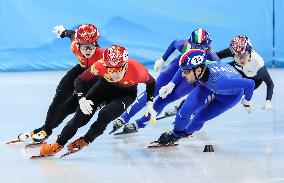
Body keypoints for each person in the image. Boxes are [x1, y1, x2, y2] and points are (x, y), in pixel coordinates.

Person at [39, 45, 156, 156]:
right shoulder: (100, 65)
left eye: (118, 68)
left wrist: (150, 103)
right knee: (80, 117)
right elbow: (79, 80)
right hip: (104, 87)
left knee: (105, 115)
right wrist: (82, 99)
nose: (115, 73)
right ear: (106, 65)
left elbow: (151, 83)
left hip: (125, 94)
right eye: (110, 69)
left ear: (125, 65)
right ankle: (58, 143)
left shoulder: (137, 70)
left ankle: (85, 140)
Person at [110, 28, 219, 134]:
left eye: (202, 48)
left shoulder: (212, 57)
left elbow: (216, 73)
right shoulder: (185, 45)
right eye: (195, 47)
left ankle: (140, 123)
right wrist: (163, 59)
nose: (198, 50)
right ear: (190, 43)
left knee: (164, 100)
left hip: (190, 79)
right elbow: (174, 43)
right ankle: (125, 117)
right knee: (151, 92)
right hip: (177, 67)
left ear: (208, 46)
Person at [17, 24, 104, 143]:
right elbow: (71, 34)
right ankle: (46, 130)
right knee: (60, 96)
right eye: (83, 47)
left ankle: (43, 129)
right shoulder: (74, 45)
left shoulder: (103, 58)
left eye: (90, 47)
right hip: (81, 69)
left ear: (95, 44)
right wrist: (63, 32)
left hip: (94, 77)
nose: (87, 51)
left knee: (69, 107)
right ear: (78, 44)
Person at [153, 49, 255, 146]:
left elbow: (250, 83)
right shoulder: (201, 66)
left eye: (186, 72)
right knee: (184, 111)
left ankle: (185, 133)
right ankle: (175, 135)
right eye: (184, 71)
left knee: (199, 119)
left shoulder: (221, 82)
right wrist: (171, 84)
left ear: (198, 70)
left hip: (229, 97)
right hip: (208, 85)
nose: (183, 75)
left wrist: (247, 100)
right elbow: (183, 67)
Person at [165, 35, 274, 115]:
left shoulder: (258, 64)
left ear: (250, 52)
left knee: (218, 94)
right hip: (234, 70)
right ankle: (185, 105)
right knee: (206, 80)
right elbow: (216, 57)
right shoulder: (235, 51)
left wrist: (268, 101)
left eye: (243, 55)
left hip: (251, 78)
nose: (239, 58)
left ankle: (196, 110)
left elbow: (269, 83)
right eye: (236, 55)